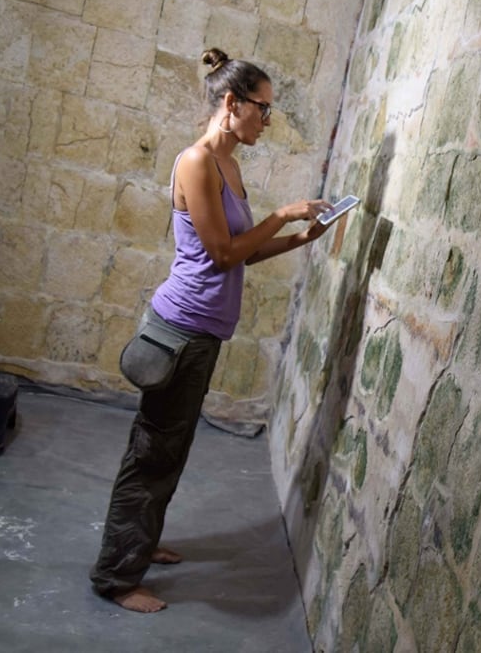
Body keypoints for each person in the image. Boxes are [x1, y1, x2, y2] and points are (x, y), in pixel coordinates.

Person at [90, 48, 334, 613]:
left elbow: (240, 253)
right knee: (151, 452)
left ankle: (141, 545)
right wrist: (282, 215)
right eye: (263, 109)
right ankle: (115, 577)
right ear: (231, 102)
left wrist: (300, 240)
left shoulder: (229, 164)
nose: (266, 121)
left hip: (202, 335)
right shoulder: (196, 161)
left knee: (171, 448)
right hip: (178, 330)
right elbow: (223, 253)